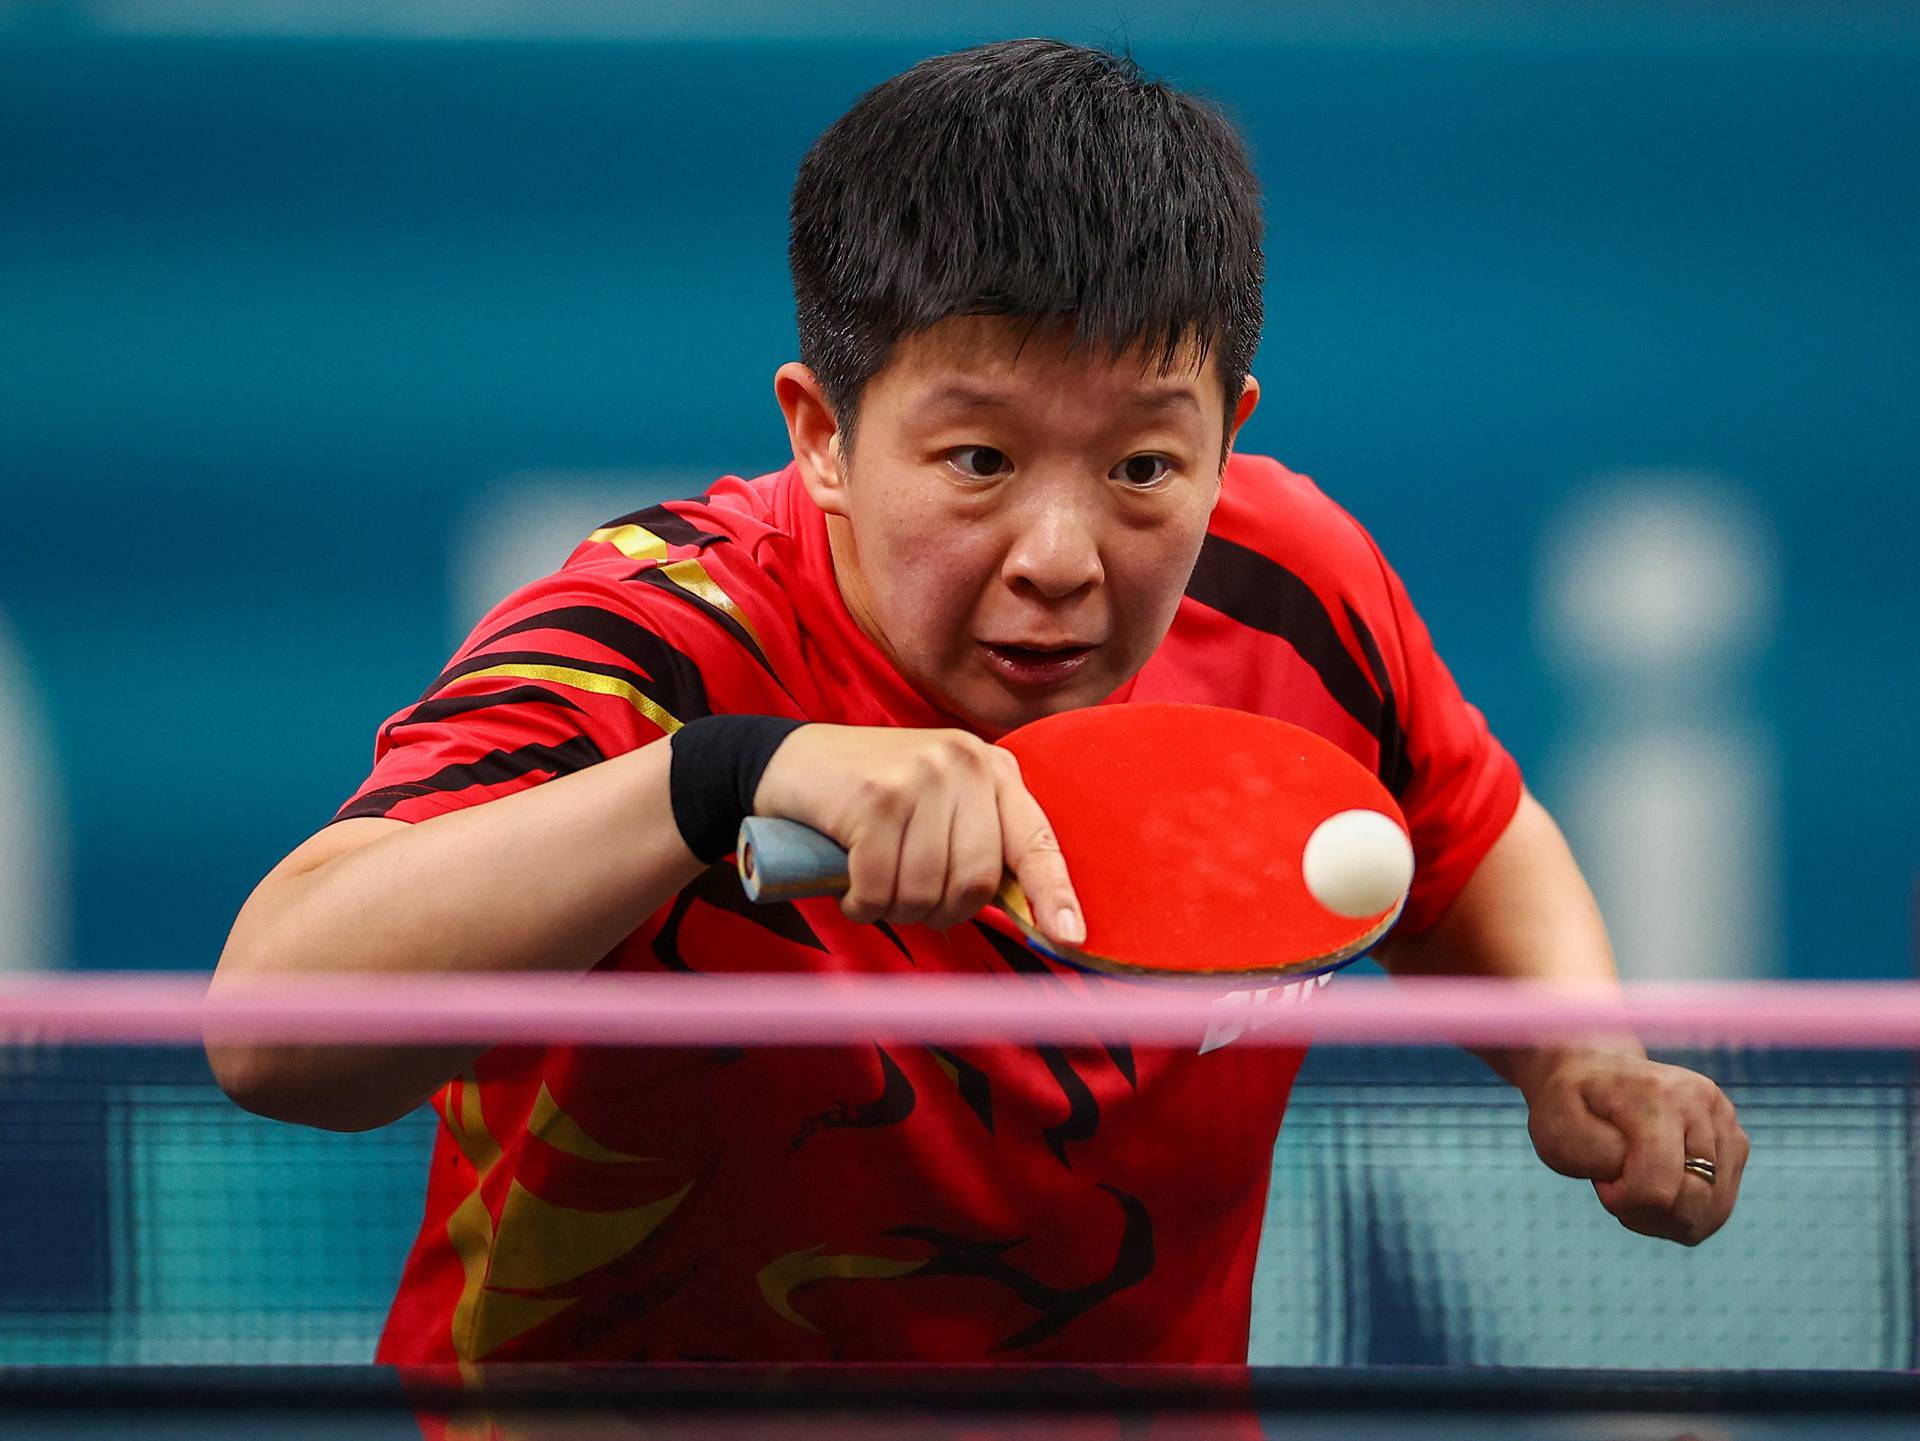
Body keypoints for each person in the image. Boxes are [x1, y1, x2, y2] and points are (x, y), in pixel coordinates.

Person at [210, 39, 1748, 1366]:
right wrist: (718, 784)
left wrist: (1577, 1054)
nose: (1061, 560)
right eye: (979, 462)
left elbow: (1463, 833)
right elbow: (271, 1036)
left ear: (1230, 435)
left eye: (1146, 465)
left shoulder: (1295, 585)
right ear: (823, 434)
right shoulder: (654, 638)